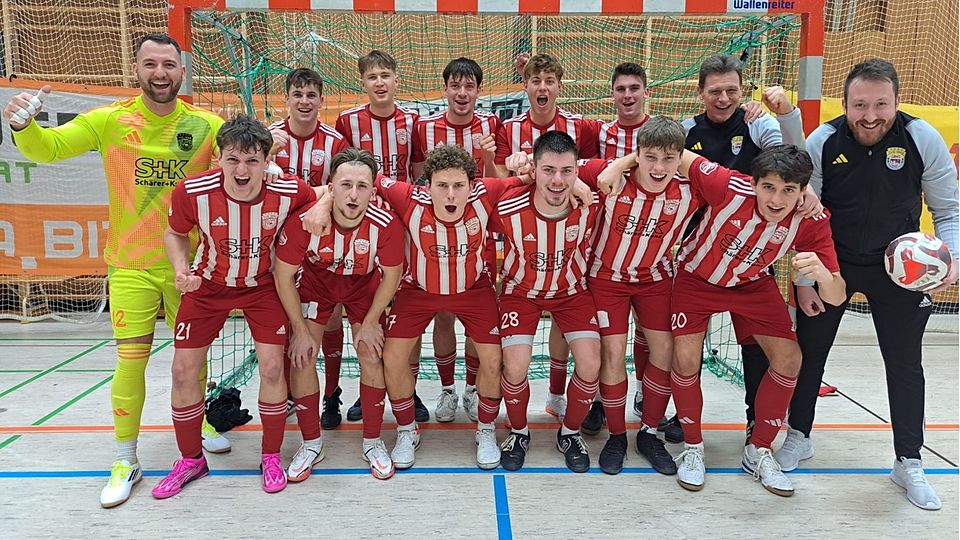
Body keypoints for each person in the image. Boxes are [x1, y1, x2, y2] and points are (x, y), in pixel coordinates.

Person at [3, 33, 230, 508]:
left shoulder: (207, 125)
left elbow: (241, 170)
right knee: (132, 360)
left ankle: (199, 419)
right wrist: (25, 127)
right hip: (130, 266)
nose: (161, 73)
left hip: (190, 266)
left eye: (169, 64)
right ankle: (126, 458)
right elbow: (48, 149)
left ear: (182, 71)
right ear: (137, 70)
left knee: (191, 357)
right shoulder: (109, 120)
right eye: (151, 64)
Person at [778, 58, 959, 511]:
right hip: (832, 265)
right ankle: (798, 436)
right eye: (860, 105)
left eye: (881, 104)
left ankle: (908, 462)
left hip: (899, 271)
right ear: (846, 103)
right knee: (809, 353)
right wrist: (804, 278)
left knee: (904, 365)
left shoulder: (922, 139)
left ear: (896, 101)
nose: (870, 114)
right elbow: (807, 216)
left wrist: (951, 260)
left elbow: (949, 211)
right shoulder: (823, 140)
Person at [306, 145, 526, 471]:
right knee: (392, 357)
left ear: (473, 185)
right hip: (417, 290)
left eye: (458, 186)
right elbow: (355, 180)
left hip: (472, 290)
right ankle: (408, 429)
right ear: (427, 186)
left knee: (495, 359)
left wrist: (526, 164)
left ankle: (486, 430)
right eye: (442, 186)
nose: (450, 195)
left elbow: (534, 178)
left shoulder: (487, 192)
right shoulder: (408, 198)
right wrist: (324, 201)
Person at [664, 145, 844, 497]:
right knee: (685, 357)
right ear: (755, 182)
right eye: (769, 187)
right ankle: (693, 447)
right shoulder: (726, 185)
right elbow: (674, 150)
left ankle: (758, 450)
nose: (776, 200)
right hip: (696, 278)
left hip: (752, 284)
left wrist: (823, 275)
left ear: (803, 191)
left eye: (789, 190)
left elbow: (837, 295)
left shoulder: (812, 220)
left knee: (790, 358)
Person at [152, 115, 316, 499]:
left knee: (274, 366)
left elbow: (321, 196)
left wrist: (321, 207)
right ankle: (191, 459)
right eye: (232, 159)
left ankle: (271, 455)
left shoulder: (290, 190)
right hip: (207, 286)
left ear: (266, 160)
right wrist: (181, 270)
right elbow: (175, 233)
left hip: (262, 288)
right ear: (219, 159)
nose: (242, 170)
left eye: (252, 160)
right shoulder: (192, 191)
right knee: (182, 371)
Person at [671, 53, 807, 442]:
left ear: (742, 90)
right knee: (686, 348)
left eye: (732, 90)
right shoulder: (686, 131)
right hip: (695, 254)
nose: (724, 98)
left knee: (755, 344)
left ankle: (755, 418)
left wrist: (786, 116)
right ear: (700, 93)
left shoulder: (756, 123)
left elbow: (792, 163)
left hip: (749, 253)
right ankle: (682, 421)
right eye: (715, 91)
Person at [574, 116, 702, 475]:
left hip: (655, 279)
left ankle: (648, 432)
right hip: (606, 278)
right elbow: (559, 169)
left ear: (681, 159)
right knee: (612, 353)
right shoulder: (609, 178)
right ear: (638, 155)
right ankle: (617, 436)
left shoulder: (692, 188)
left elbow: (739, 182)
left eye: (668, 158)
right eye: (649, 157)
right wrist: (620, 164)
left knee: (665, 351)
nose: (658, 167)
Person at [274, 148, 404, 480]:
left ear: (373, 192)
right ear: (330, 188)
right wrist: (299, 330)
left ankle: (373, 442)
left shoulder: (386, 225)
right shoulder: (306, 221)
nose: (354, 194)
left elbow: (391, 276)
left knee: (371, 352)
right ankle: (311, 443)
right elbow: (283, 276)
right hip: (317, 284)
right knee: (301, 355)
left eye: (362, 186)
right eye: (346, 185)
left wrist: (372, 321)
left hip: (363, 286)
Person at [494, 52, 600, 420]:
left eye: (549, 81)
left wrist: (580, 184)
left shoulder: (581, 127)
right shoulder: (509, 128)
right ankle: (516, 423)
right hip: (527, 237)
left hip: (566, 245)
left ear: (559, 85)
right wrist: (511, 167)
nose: (542, 87)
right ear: (525, 85)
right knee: (516, 360)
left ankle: (558, 398)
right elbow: (499, 175)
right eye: (535, 81)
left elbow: (594, 169)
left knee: (569, 330)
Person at [494, 131, 603, 473]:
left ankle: (569, 433)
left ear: (577, 170)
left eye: (567, 172)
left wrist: (585, 184)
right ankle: (519, 432)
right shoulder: (507, 205)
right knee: (514, 365)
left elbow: (632, 165)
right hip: (520, 292)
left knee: (590, 364)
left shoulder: (592, 201)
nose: (558, 181)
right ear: (534, 170)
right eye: (548, 171)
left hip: (571, 292)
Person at [335, 50, 427, 423]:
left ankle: (412, 390)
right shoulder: (348, 121)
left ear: (396, 79)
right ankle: (367, 390)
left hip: (401, 226)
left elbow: (419, 173)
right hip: (359, 226)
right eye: (372, 76)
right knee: (363, 310)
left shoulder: (413, 120)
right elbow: (339, 175)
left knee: (406, 309)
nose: (379, 82)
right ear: (363, 82)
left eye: (385, 75)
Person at [410, 58, 503, 423]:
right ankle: (447, 389)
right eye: (455, 86)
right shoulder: (425, 128)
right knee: (444, 315)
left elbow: (498, 180)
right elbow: (419, 182)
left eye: (470, 87)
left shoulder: (492, 125)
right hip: (437, 235)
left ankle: (471, 388)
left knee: (476, 317)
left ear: (479, 91)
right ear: (445, 88)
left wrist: (490, 159)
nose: (462, 93)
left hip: (480, 235)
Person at [268, 67, 351, 429]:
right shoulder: (267, 138)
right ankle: (287, 395)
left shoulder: (334, 142)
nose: (304, 101)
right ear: (285, 99)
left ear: (322, 100)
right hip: (274, 241)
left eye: (311, 95)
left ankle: (331, 394)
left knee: (330, 316)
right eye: (297, 95)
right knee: (286, 318)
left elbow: (342, 188)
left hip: (320, 241)